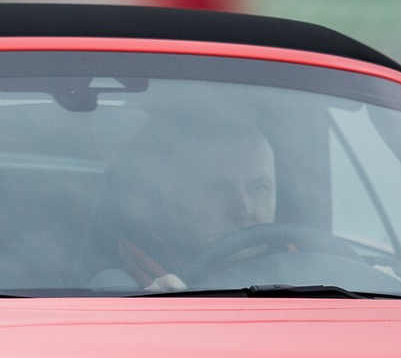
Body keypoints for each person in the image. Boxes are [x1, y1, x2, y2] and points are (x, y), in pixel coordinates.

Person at [97, 114, 279, 292]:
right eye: (219, 188)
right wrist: (159, 307)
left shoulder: (296, 270)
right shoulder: (124, 291)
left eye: (258, 187)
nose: (243, 210)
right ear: (173, 196)